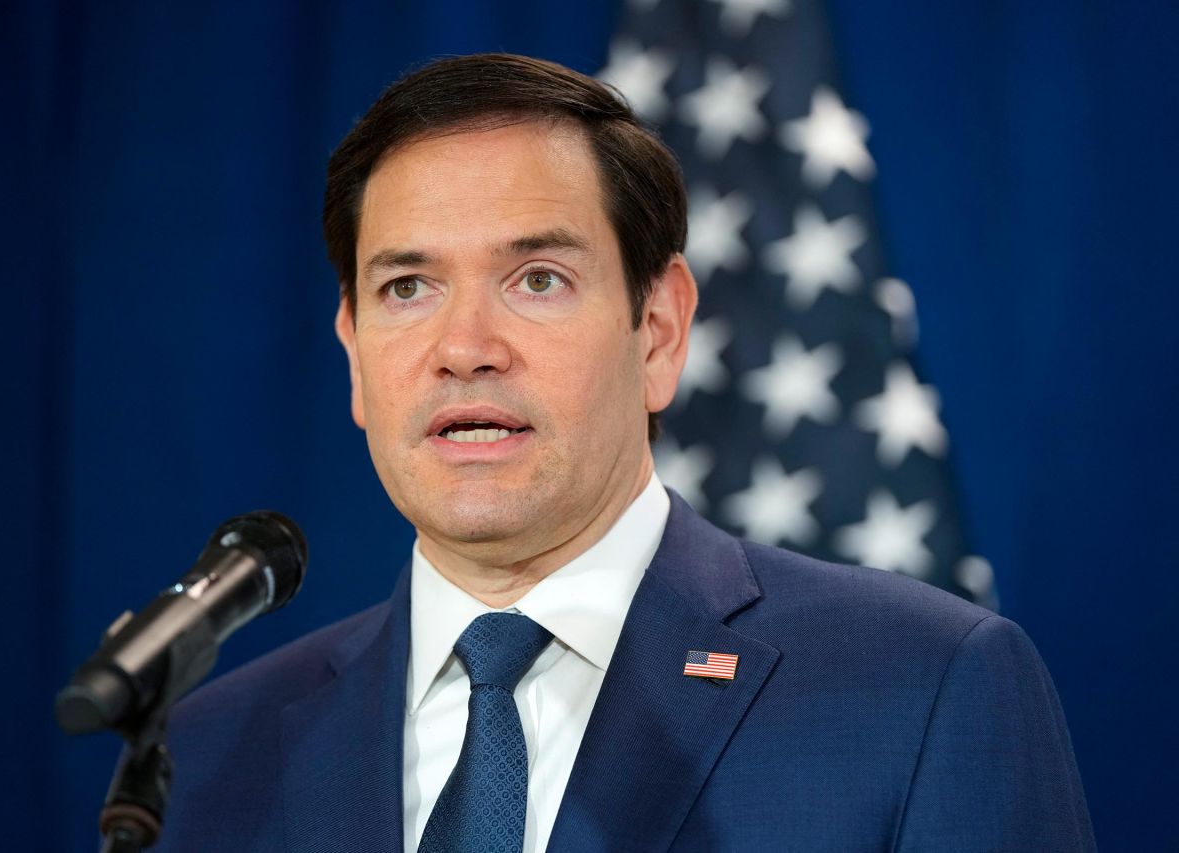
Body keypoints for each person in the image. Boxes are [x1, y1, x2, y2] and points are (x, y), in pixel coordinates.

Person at [154, 54, 1094, 852]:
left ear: (657, 331)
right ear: (354, 354)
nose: (464, 344)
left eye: (537, 279)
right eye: (407, 287)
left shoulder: (922, 687)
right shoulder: (209, 755)